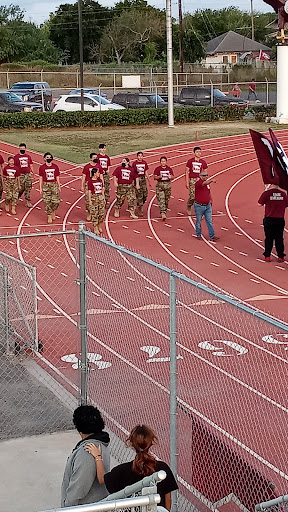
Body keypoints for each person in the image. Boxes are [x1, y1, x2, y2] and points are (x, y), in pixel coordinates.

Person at [86, 425, 178, 511]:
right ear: (151, 442)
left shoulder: (122, 471)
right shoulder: (163, 468)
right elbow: (168, 498)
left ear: (131, 443)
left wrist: (97, 457)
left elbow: (102, 479)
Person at [61, 405, 110, 508]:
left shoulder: (87, 452)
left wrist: (67, 508)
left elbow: (78, 489)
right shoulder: (101, 443)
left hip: (84, 508)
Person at [258, 184, 288, 262]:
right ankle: (280, 256)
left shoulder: (267, 193)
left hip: (269, 219)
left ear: (270, 185)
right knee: (279, 238)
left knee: (269, 238)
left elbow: (259, 204)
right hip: (280, 219)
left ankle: (267, 256)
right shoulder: (283, 194)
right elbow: (286, 204)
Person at [194, 169, 219, 241]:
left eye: (207, 175)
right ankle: (198, 234)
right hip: (199, 206)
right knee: (198, 221)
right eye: (204, 175)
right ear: (200, 176)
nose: (206, 176)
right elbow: (204, 183)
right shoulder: (198, 183)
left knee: (209, 221)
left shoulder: (207, 185)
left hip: (207, 205)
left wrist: (211, 200)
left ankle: (212, 235)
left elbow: (208, 192)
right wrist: (211, 180)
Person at [185, 147, 208, 216]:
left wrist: (205, 180)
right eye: (197, 152)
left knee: (200, 196)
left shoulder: (203, 162)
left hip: (200, 180)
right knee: (192, 196)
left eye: (200, 152)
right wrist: (187, 182)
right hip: (192, 180)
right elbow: (187, 172)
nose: (199, 153)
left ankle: (199, 210)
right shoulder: (190, 161)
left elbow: (205, 172)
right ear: (194, 153)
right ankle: (189, 205)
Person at [39, 152, 61, 224]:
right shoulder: (42, 167)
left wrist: (59, 185)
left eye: (50, 157)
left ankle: (53, 211)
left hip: (54, 184)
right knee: (47, 201)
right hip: (46, 185)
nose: (49, 159)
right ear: (44, 158)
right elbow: (41, 177)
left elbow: (57, 176)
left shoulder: (55, 166)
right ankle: (49, 215)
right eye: (47, 157)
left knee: (56, 201)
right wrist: (40, 187)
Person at [81, 153, 103, 221]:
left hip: (97, 183)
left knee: (98, 199)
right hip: (89, 183)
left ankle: (96, 214)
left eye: (96, 157)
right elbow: (84, 176)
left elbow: (101, 176)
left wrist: (103, 185)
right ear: (91, 158)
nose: (95, 158)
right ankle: (89, 212)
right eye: (94, 157)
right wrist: (82, 185)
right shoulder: (87, 167)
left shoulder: (99, 166)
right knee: (88, 199)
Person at [154, 156, 173, 221]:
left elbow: (173, 176)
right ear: (160, 162)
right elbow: (154, 177)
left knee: (166, 200)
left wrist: (170, 177)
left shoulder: (169, 169)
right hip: (160, 185)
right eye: (162, 161)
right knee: (161, 199)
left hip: (167, 185)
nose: (163, 163)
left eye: (164, 161)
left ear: (166, 162)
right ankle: (162, 213)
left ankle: (164, 210)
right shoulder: (157, 169)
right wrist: (159, 176)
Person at [14, 143, 34, 208]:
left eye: (23, 149)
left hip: (27, 174)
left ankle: (27, 201)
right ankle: (16, 198)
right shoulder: (16, 157)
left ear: (25, 149)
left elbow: (30, 164)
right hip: (20, 175)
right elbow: (14, 167)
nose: (22, 150)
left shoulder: (28, 156)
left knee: (28, 187)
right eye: (21, 149)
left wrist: (33, 172)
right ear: (19, 149)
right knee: (20, 188)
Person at [132, 151, 150, 217]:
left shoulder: (144, 163)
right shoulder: (134, 163)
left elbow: (146, 172)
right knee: (139, 194)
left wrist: (149, 180)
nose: (140, 157)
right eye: (139, 156)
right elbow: (133, 173)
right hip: (137, 179)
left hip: (143, 179)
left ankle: (140, 203)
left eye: (141, 156)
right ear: (137, 156)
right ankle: (140, 208)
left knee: (145, 194)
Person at [88, 168, 105, 235]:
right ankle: (95, 227)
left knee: (102, 213)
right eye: (98, 172)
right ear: (94, 174)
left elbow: (102, 189)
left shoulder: (99, 180)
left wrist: (103, 198)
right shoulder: (90, 181)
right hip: (94, 197)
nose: (99, 174)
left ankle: (99, 225)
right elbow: (89, 191)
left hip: (100, 197)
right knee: (94, 213)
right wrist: (89, 200)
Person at [97, 144, 111, 208]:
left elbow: (108, 165)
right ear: (99, 149)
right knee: (99, 187)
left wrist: (107, 170)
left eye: (104, 148)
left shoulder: (107, 157)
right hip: (99, 174)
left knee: (106, 187)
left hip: (105, 174)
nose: (103, 150)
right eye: (102, 148)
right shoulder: (97, 157)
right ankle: (100, 201)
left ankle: (106, 200)